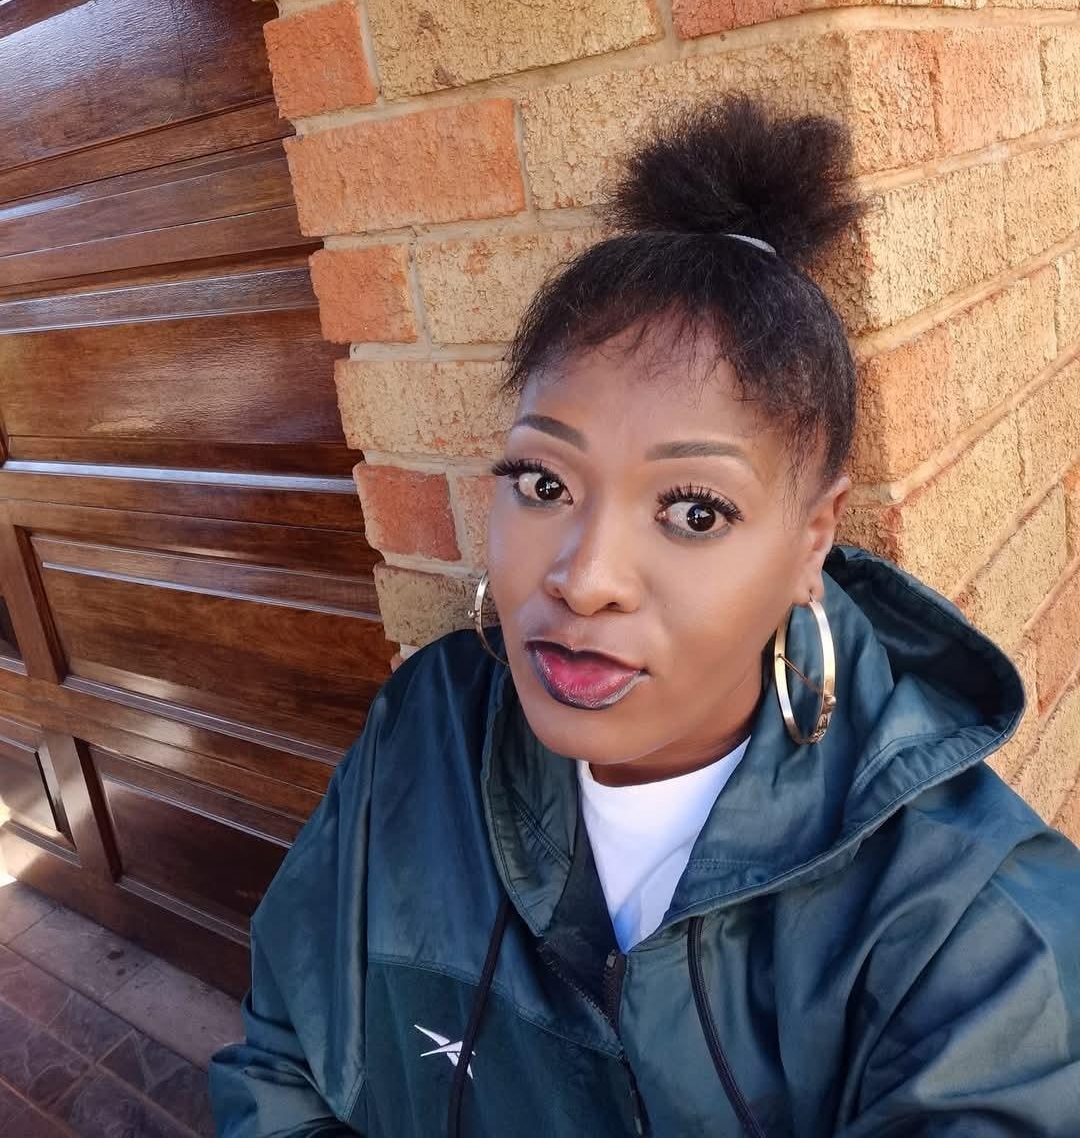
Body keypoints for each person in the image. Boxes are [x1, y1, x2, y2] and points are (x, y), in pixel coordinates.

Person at [209, 95, 1080, 1137]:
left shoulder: (973, 935)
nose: (585, 580)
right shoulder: (423, 728)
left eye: (694, 511)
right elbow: (280, 1064)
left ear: (813, 538)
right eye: (543, 484)